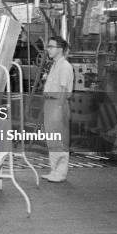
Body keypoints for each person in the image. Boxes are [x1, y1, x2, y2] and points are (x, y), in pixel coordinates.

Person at [42, 36, 74, 183]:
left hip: (58, 104)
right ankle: (54, 171)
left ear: (60, 49)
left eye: (51, 46)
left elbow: (63, 90)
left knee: (59, 139)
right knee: (52, 139)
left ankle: (60, 173)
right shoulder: (55, 65)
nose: (48, 49)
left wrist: (59, 109)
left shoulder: (65, 66)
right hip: (51, 104)